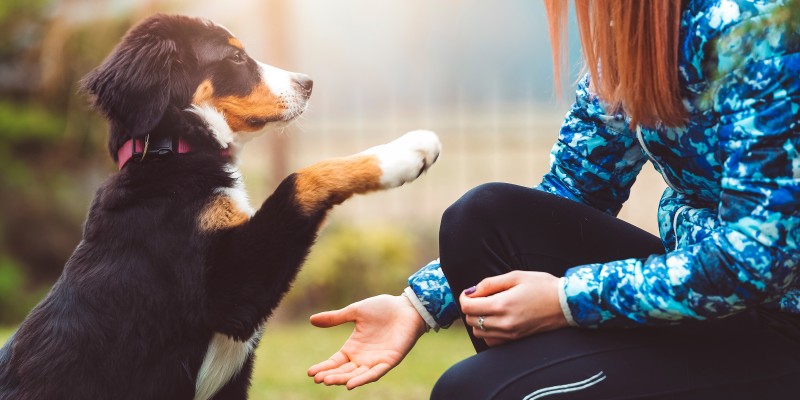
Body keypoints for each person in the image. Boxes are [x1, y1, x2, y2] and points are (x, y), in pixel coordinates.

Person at [308, 0, 800, 398]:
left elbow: (756, 257)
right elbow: (576, 187)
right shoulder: (634, 31)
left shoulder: (757, 27)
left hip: (782, 324)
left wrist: (567, 300)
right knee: (481, 218)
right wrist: (417, 305)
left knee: (473, 392)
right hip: (706, 305)